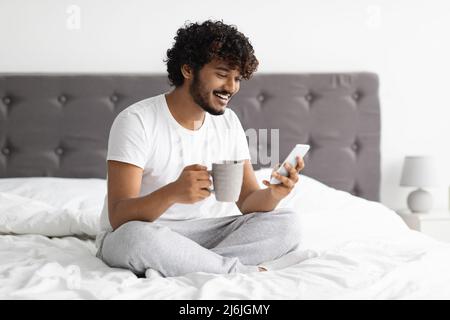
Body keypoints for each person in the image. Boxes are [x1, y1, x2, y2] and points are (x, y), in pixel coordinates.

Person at [95, 20, 304, 277]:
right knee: (135, 239)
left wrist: (275, 193)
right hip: (143, 230)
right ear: (188, 69)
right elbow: (118, 216)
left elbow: (248, 201)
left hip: (204, 233)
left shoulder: (228, 121)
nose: (231, 87)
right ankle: (239, 271)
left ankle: (191, 264)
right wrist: (172, 193)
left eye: (237, 78)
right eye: (222, 74)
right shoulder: (137, 121)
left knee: (288, 223)